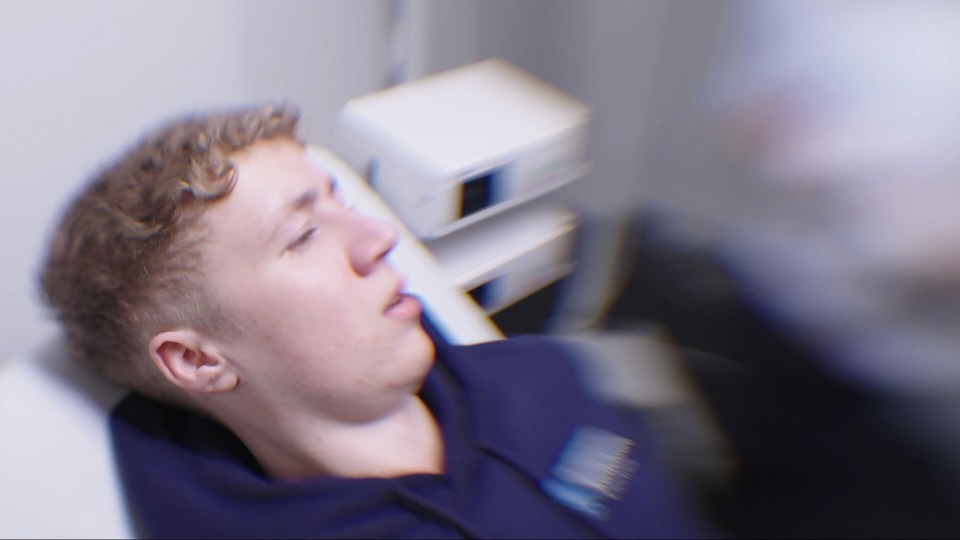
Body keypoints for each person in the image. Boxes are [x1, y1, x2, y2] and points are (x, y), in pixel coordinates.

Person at [39, 104, 708, 539]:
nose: (378, 236)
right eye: (303, 235)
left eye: (340, 204)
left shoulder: (541, 375)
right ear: (199, 362)